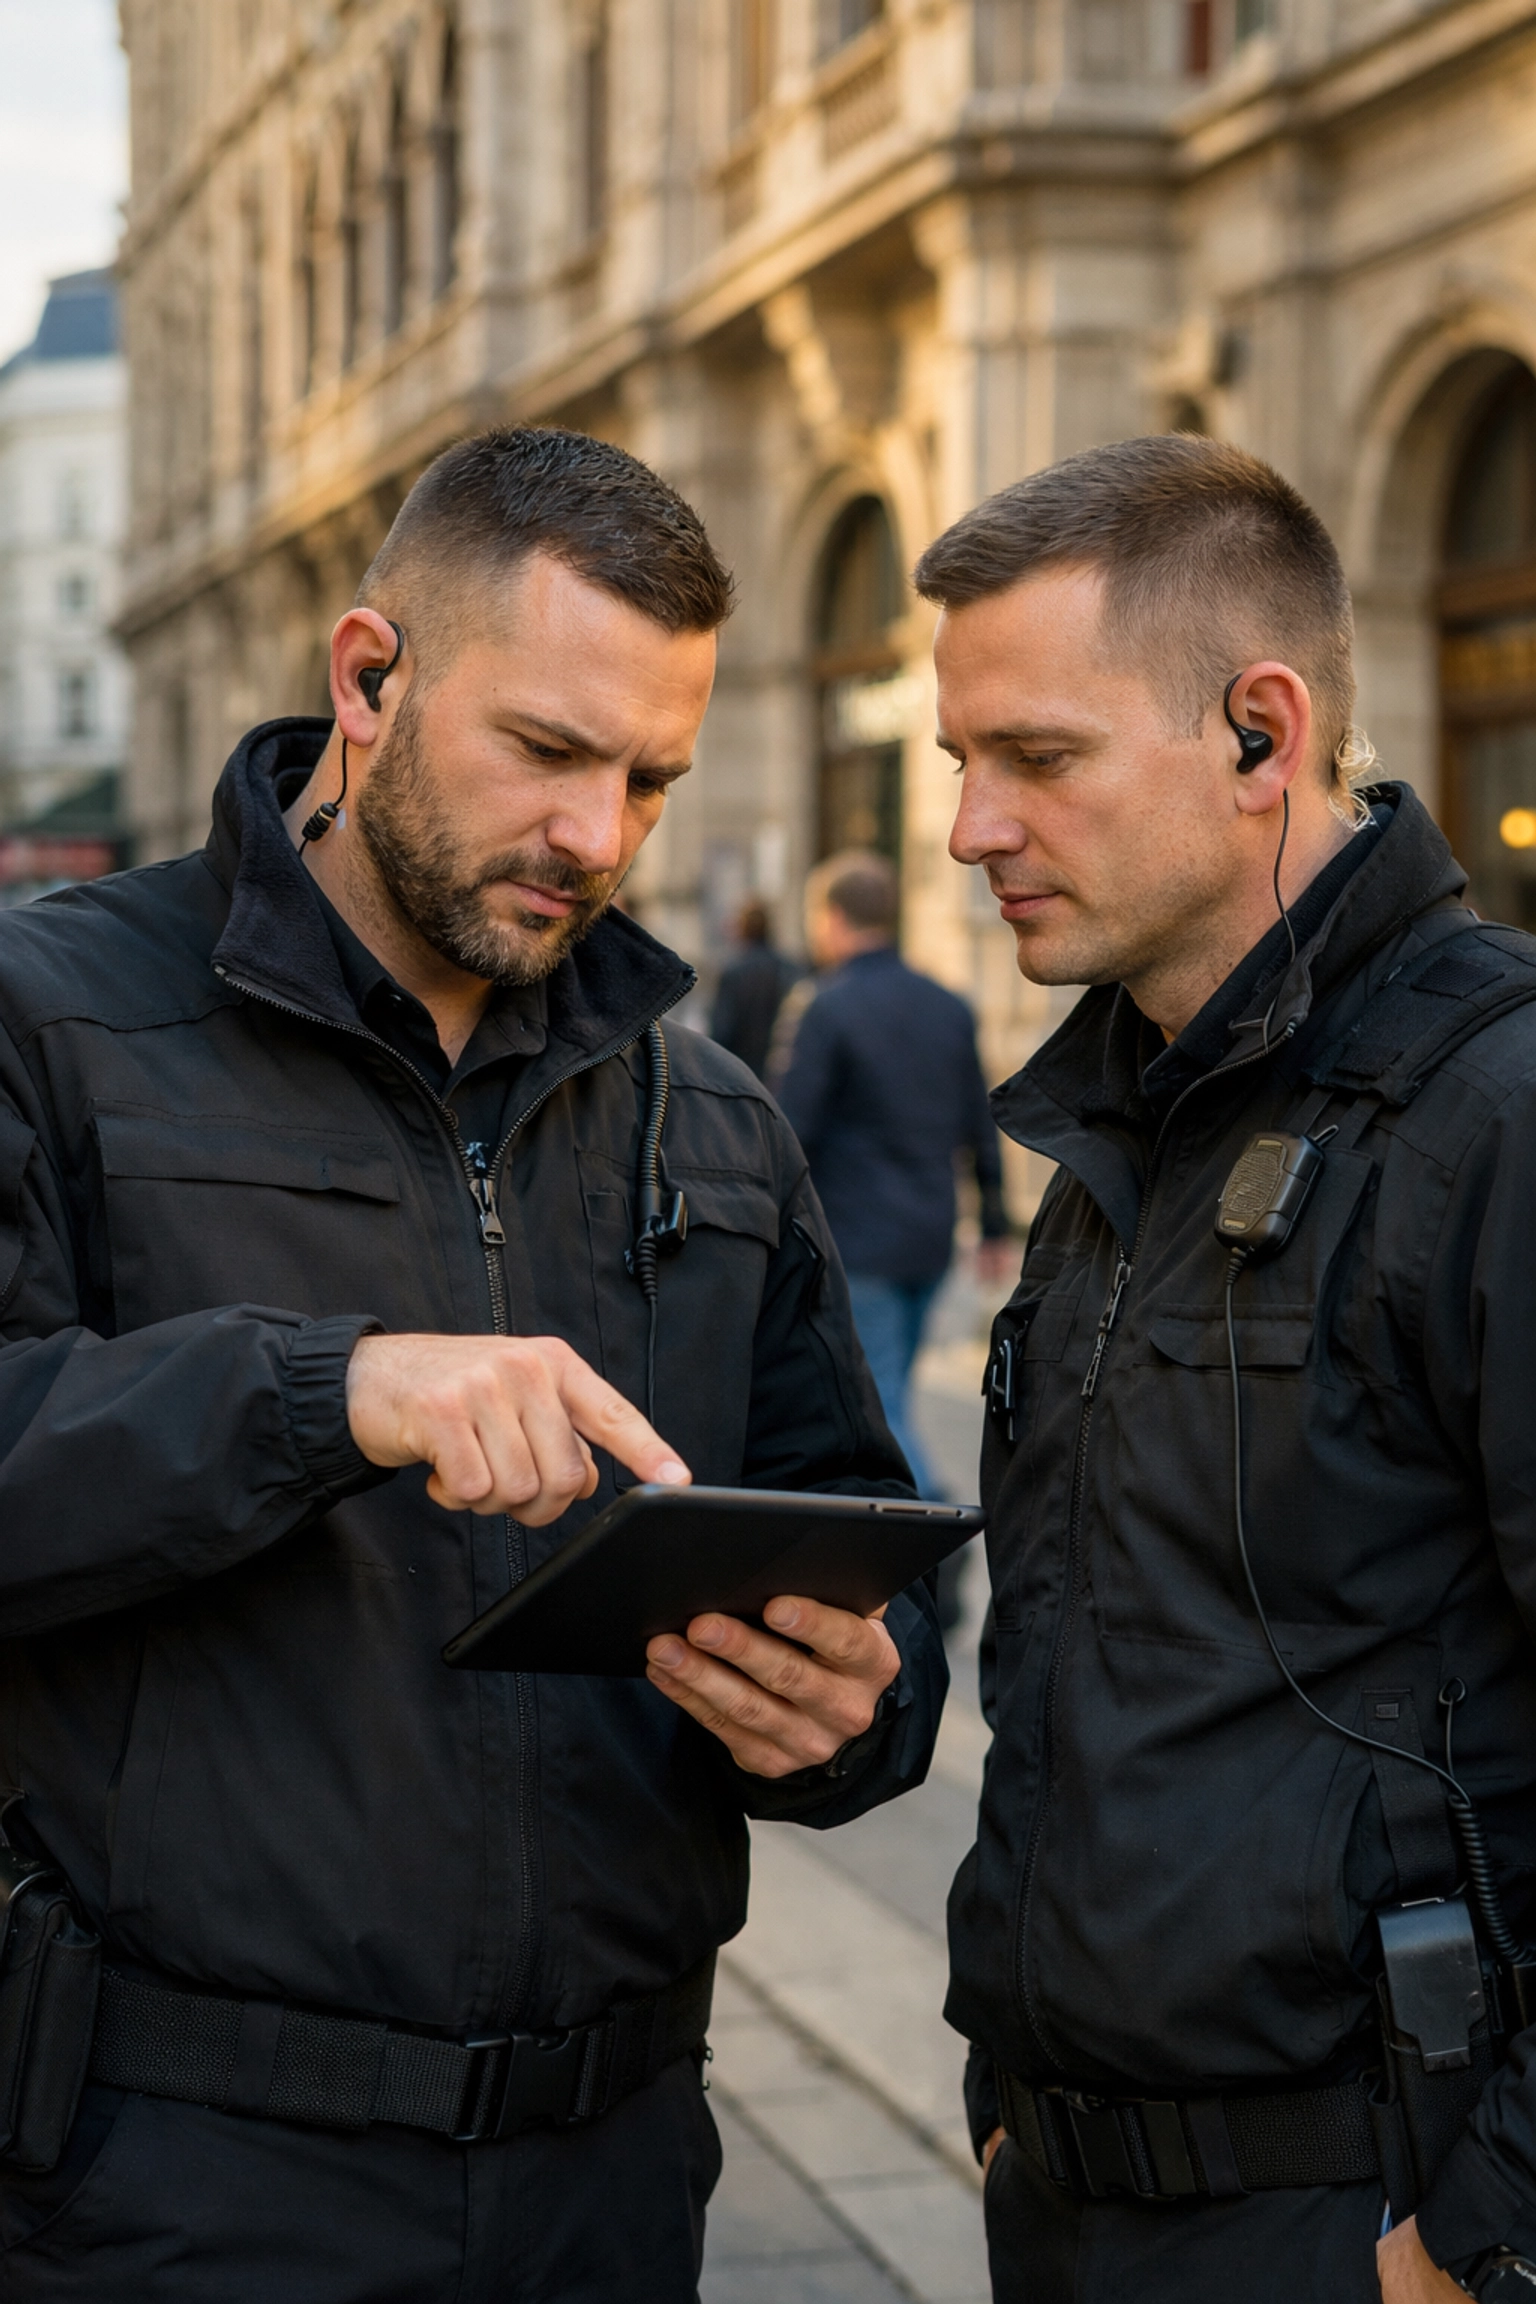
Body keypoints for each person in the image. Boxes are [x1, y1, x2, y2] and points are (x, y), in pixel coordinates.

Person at [0, 426, 947, 2303]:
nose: (598, 836)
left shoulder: (719, 1111)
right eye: (548, 750)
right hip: (172, 2183)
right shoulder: (54, 1012)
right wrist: (320, 1389)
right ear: (370, 678)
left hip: (612, 2176)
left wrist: (854, 1703)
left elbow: (868, 1554)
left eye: (651, 781)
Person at [919, 432, 1536, 2304]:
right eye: (963, 762)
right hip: (1085, 2196)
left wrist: (1478, 2227)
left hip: (1358, 2211)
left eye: (1038, 756)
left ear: (1261, 734)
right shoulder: (1132, 1120)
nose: (972, 827)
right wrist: (1013, 2091)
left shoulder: (1494, 1109)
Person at [774, 849, 1010, 1507]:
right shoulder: (948, 1005)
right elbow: (979, 1118)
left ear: (832, 917)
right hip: (931, 1234)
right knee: (893, 1384)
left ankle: (930, 1515)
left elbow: (790, 1130)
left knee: (878, 1397)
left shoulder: (825, 1007)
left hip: (859, 1234)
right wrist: (992, 1222)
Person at [709, 896, 798, 1080]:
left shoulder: (733, 971)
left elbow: (722, 1030)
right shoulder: (788, 967)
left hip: (742, 1071)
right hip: (779, 1071)